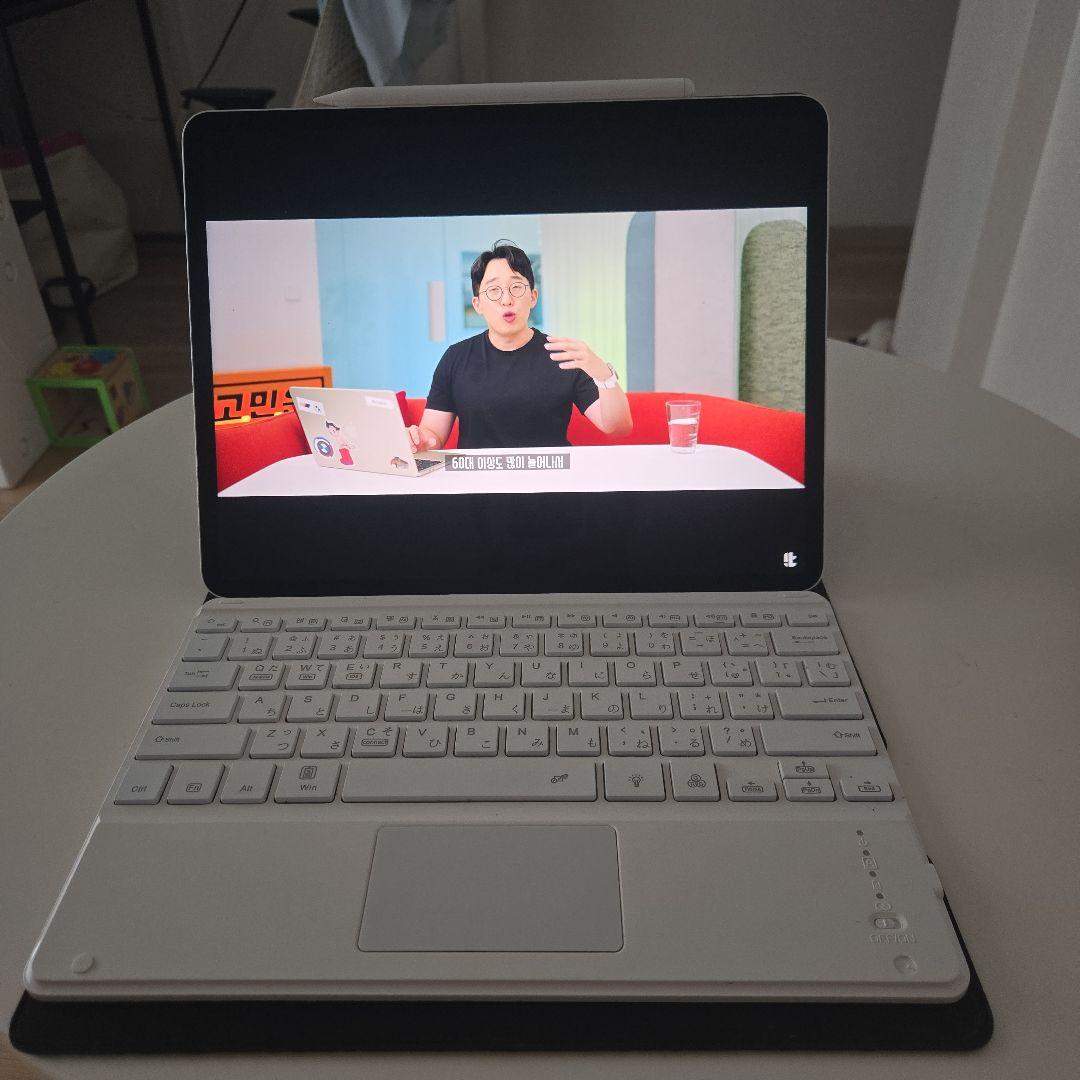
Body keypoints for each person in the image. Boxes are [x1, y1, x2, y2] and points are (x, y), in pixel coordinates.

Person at [406, 241, 633, 452]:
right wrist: (420, 439)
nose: (506, 299)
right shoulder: (456, 358)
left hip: (549, 477)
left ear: (533, 297)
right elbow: (433, 434)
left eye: (516, 287)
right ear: (478, 304)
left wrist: (602, 373)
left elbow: (618, 427)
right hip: (479, 479)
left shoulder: (562, 355)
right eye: (494, 290)